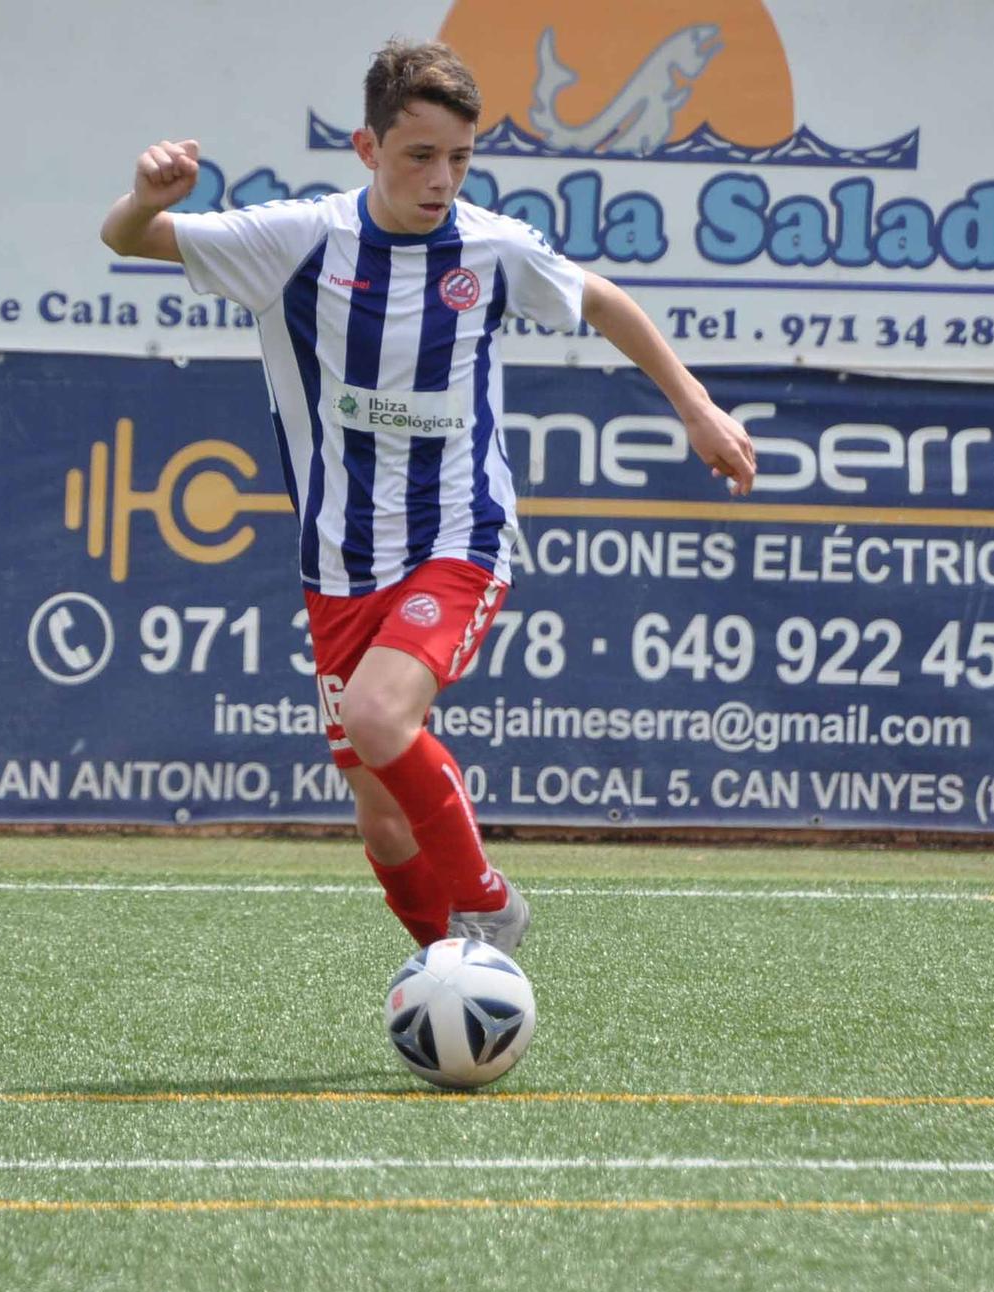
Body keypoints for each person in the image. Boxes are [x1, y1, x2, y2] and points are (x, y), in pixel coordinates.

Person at [100, 39, 756, 956]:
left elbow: (603, 301)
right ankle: (445, 965)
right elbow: (127, 238)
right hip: (336, 561)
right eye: (419, 156)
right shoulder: (298, 242)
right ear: (368, 150)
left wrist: (698, 408)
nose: (442, 178)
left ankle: (489, 908)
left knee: (378, 718)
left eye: (460, 158)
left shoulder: (488, 248)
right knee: (380, 823)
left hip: (459, 533)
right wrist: (144, 197)